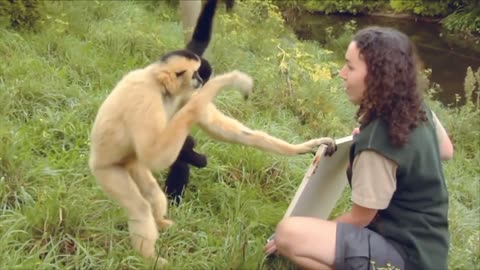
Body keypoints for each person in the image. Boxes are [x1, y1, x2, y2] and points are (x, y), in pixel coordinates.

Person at [264, 26, 454, 270]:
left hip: (405, 257)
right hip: (430, 248)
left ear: (377, 75)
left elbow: (361, 218)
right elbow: (446, 150)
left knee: (288, 233)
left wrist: (313, 233)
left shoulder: (377, 144)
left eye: (350, 67)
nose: (342, 73)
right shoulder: (416, 106)